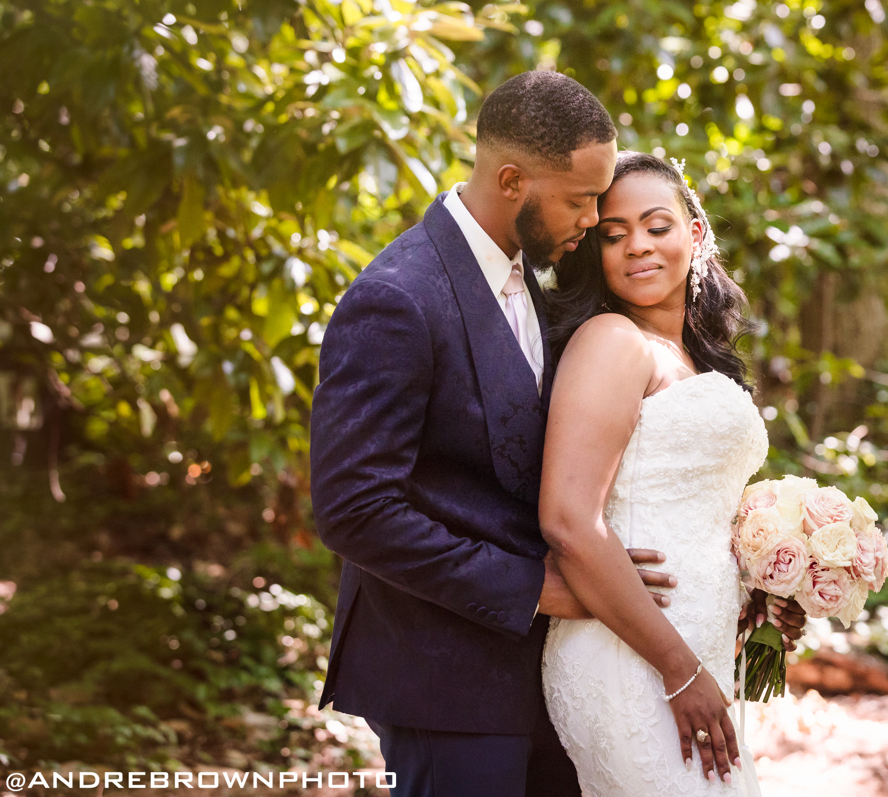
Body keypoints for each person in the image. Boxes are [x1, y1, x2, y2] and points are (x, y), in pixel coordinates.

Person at [310, 72, 672, 797]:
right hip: (441, 680)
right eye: (580, 199)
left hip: (538, 675)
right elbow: (353, 510)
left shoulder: (531, 275)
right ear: (512, 180)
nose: (593, 218)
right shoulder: (396, 298)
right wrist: (531, 587)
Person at [540, 151, 806, 796]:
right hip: (633, 655)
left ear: (696, 233)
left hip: (696, 647)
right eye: (613, 233)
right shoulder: (610, 339)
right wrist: (678, 670)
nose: (637, 246)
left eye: (657, 226)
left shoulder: (692, 356)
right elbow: (569, 519)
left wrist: (762, 588)